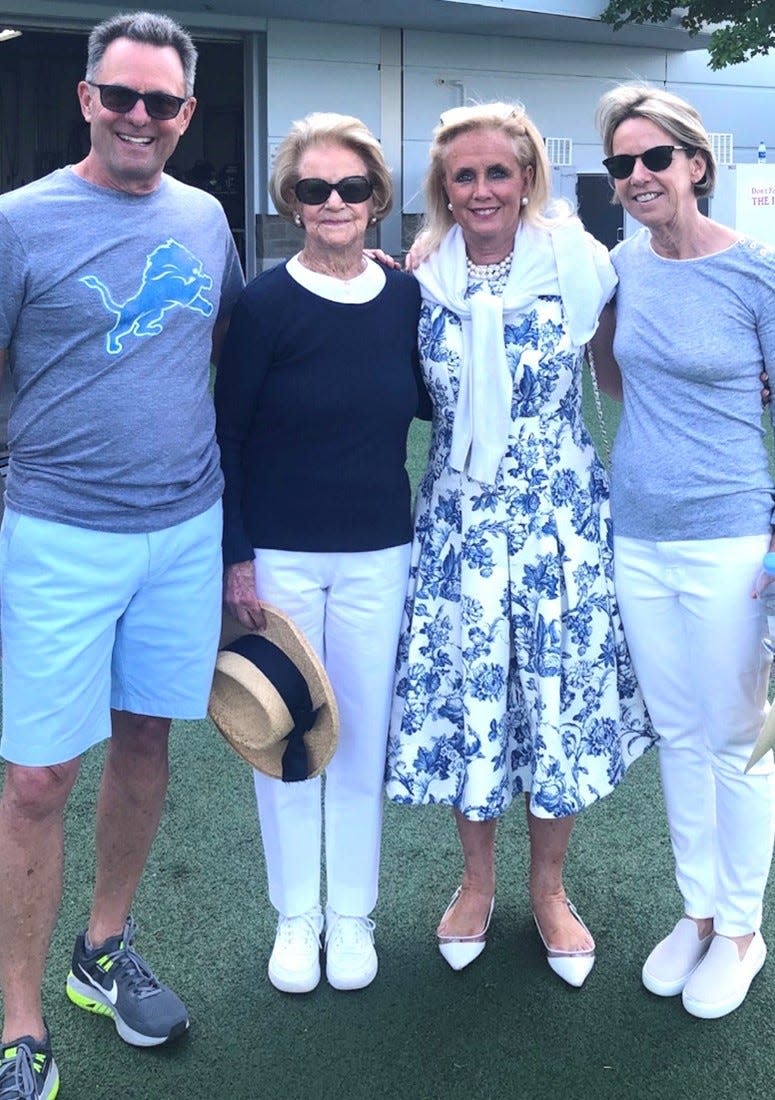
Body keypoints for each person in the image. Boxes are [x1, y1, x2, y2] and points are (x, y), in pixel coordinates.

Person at [0, 11, 244, 1097]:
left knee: (148, 737)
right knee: (40, 776)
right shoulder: (19, 222)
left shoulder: (205, 219)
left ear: (186, 115)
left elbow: (230, 336)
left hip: (185, 529)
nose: (140, 116)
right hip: (58, 532)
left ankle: (101, 950)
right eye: (121, 95)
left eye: (162, 102)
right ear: (87, 98)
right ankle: (18, 1016)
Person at [385, 102, 655, 986]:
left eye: (497, 171)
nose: (481, 189)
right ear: (443, 190)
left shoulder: (582, 264)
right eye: (462, 176)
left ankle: (547, 889)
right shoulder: (422, 278)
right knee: (474, 698)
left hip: (557, 524)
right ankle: (474, 882)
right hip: (460, 524)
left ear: (528, 177)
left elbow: (624, 372)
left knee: (551, 700)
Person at [214, 111, 429, 996]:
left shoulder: (408, 298)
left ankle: (353, 918)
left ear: (377, 199)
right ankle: (295, 916)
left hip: (381, 551)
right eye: (313, 189)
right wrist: (237, 559)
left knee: (362, 737)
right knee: (289, 736)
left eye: (350, 187)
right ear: (291, 203)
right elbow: (223, 435)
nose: (332, 202)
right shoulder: (263, 305)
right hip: (281, 559)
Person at [592, 83, 775, 1019]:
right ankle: (697, 911)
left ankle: (743, 930)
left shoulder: (755, 274)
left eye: (653, 158)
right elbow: (613, 372)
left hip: (733, 541)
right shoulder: (620, 265)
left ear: (696, 165)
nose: (636, 177)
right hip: (639, 540)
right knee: (677, 734)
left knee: (740, 743)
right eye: (620, 164)